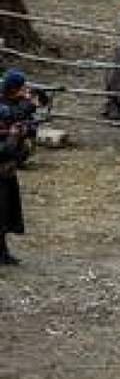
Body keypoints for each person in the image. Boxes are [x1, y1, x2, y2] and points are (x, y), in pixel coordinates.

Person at [1, 69, 47, 266]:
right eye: (22, 87)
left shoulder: (10, 103)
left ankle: (2, 253)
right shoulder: (4, 106)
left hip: (6, 167)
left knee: (5, 211)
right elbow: (12, 115)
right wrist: (13, 134)